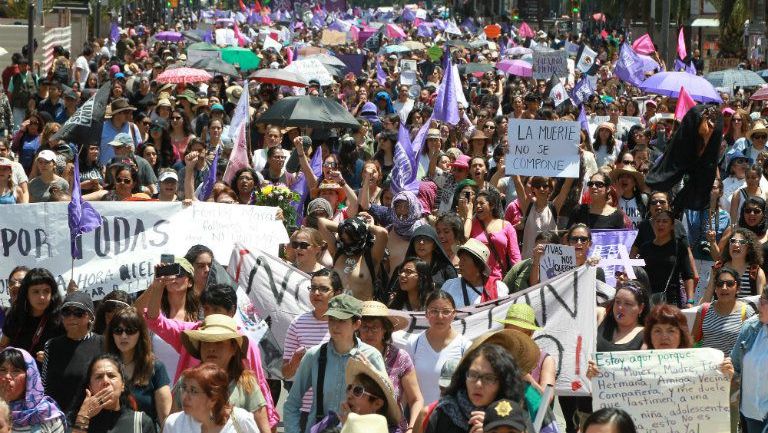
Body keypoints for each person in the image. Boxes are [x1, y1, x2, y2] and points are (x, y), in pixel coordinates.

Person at [140, 282, 278, 427]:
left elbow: (260, 389)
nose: (211, 348)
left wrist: (270, 421)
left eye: (217, 309)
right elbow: (154, 321)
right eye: (206, 309)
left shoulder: (247, 379)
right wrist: (157, 288)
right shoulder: (185, 380)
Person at [284, 294, 386, 433]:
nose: (335, 326)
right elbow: (292, 403)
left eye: (342, 320)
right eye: (332, 319)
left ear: (356, 324)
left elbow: (381, 404)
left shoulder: (371, 356)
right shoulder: (314, 355)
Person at [172, 315, 271, 433]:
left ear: (233, 348)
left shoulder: (246, 384)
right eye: (206, 342)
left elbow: (264, 429)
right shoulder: (186, 381)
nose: (211, 348)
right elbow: (173, 423)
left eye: (219, 342)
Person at [282, 269, 342, 431]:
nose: (316, 293)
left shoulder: (346, 325)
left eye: (323, 289)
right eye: (313, 288)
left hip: (338, 412)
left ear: (337, 293)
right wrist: (294, 362)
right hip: (305, 411)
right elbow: (285, 373)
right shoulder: (297, 324)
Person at [358, 301, 422, 432]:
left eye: (375, 327)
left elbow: (416, 399)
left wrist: (411, 429)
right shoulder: (351, 355)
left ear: (385, 329)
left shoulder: (400, 357)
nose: (369, 332)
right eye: (365, 327)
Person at [104, 308, 172, 427]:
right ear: (112, 334)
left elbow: (165, 418)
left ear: (140, 333)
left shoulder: (155, 367)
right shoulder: (102, 367)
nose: (124, 336)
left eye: (130, 330)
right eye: (118, 330)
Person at [404, 290, 472, 405]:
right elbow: (406, 388)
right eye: (434, 311)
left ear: (454, 314)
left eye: (446, 312)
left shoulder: (465, 346)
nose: (440, 317)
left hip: (450, 419)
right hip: (419, 418)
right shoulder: (413, 343)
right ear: (426, 314)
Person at [42, 292, 104, 414]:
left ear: (90, 317)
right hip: (57, 418)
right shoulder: (51, 345)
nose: (71, 317)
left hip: (92, 416)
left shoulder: (103, 343)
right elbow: (44, 385)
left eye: (78, 313)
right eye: (66, 312)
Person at [69, 354, 155, 433]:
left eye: (111, 376)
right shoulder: (74, 421)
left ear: (122, 385)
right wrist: (83, 417)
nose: (105, 381)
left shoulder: (140, 422)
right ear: (90, 387)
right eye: (99, 377)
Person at [162, 363, 259, 433]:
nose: (185, 396)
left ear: (213, 398)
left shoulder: (241, 420)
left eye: (193, 391)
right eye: (184, 388)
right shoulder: (173, 423)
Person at [0, 268, 64, 365]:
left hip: (49, 377)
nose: (42, 297)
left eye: (46, 291)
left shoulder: (62, 319)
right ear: (26, 294)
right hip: (18, 377)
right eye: (36, 292)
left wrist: (54, 357)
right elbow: (2, 346)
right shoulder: (15, 314)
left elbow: (71, 353)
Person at [495, 304, 556, 402]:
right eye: (510, 330)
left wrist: (526, 377)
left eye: (518, 333)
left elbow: (547, 399)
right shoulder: (495, 354)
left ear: (530, 334)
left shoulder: (546, 360)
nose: (513, 337)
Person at [0, 347, 67, 433]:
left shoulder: (46, 416)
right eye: (2, 370)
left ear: (30, 377)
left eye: (16, 371)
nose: (7, 376)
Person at [692, 266, 756, 355]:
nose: (724, 287)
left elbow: (753, 346)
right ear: (715, 288)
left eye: (730, 284)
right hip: (707, 366)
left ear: (738, 288)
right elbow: (691, 341)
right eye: (720, 283)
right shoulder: (704, 310)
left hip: (733, 367)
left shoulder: (747, 312)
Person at [637, 209, 695, 307]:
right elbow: (639, 274)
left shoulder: (679, 247)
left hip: (671, 300)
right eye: (658, 221)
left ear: (672, 226)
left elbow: (688, 276)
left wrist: (690, 301)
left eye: (665, 221)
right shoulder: (645, 248)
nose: (660, 224)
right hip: (648, 300)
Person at [731, 289, 768, 433]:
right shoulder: (749, 327)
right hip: (750, 413)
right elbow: (735, 366)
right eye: (760, 300)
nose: (759, 305)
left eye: (764, 302)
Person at [465, 189, 521, 279]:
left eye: (481, 203)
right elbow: (464, 236)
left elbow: (515, 256)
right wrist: (469, 213)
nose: (478, 206)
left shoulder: (506, 226)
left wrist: (518, 277)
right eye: (476, 204)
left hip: (499, 280)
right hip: (476, 280)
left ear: (492, 206)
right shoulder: (472, 224)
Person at [701, 228, 765, 302]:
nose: (736, 244)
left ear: (749, 248)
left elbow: (762, 303)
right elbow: (707, 297)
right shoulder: (718, 268)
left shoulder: (757, 273)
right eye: (732, 241)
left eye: (742, 242)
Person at [341, 357, 403, 432]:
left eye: (358, 390)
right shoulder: (334, 423)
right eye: (349, 388)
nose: (349, 395)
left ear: (377, 403)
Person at [442, 239, 510, 308]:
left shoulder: (497, 288)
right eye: (460, 259)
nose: (460, 264)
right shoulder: (450, 286)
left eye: (464, 260)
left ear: (478, 266)